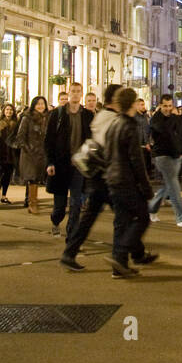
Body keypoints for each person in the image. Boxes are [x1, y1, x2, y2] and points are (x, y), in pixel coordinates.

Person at [61, 84, 122, 271]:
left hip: (99, 173)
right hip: (104, 173)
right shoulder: (110, 118)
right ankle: (125, 257)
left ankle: (70, 252)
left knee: (90, 215)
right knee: (125, 216)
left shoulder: (98, 115)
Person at [103, 88, 157, 278]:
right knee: (142, 217)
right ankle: (121, 255)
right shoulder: (129, 125)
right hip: (126, 180)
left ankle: (119, 266)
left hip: (113, 179)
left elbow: (107, 152)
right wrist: (145, 186)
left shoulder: (114, 123)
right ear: (132, 104)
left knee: (121, 222)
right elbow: (136, 160)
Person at [45, 82, 91, 238]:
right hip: (60, 164)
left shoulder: (87, 115)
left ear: (81, 93)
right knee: (60, 204)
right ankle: (56, 221)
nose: (76, 94)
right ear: (68, 93)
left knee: (76, 202)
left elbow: (92, 140)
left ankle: (72, 234)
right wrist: (50, 162)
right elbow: (49, 140)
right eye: (73, 91)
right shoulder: (57, 115)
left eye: (79, 91)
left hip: (78, 164)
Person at [148, 94, 182, 226]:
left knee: (169, 185)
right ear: (160, 105)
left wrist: (181, 152)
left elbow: (180, 135)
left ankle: (151, 208)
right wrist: (173, 120)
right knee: (173, 185)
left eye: (170, 106)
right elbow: (166, 132)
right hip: (162, 155)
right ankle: (181, 217)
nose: (167, 108)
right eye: (165, 106)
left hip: (176, 155)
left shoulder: (175, 118)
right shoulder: (156, 119)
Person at [14, 96, 50, 214]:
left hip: (41, 153)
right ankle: (32, 203)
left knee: (37, 178)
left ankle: (32, 202)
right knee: (32, 178)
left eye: (42, 104)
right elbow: (20, 137)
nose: (41, 106)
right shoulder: (27, 118)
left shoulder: (46, 118)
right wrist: (28, 148)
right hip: (29, 154)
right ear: (33, 105)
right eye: (38, 104)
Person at [0, 104, 19, 204]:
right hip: (2, 150)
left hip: (12, 151)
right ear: (3, 111)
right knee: (3, 170)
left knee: (8, 174)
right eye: (7, 109)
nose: (9, 112)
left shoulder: (16, 122)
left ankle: (3, 194)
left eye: (11, 110)